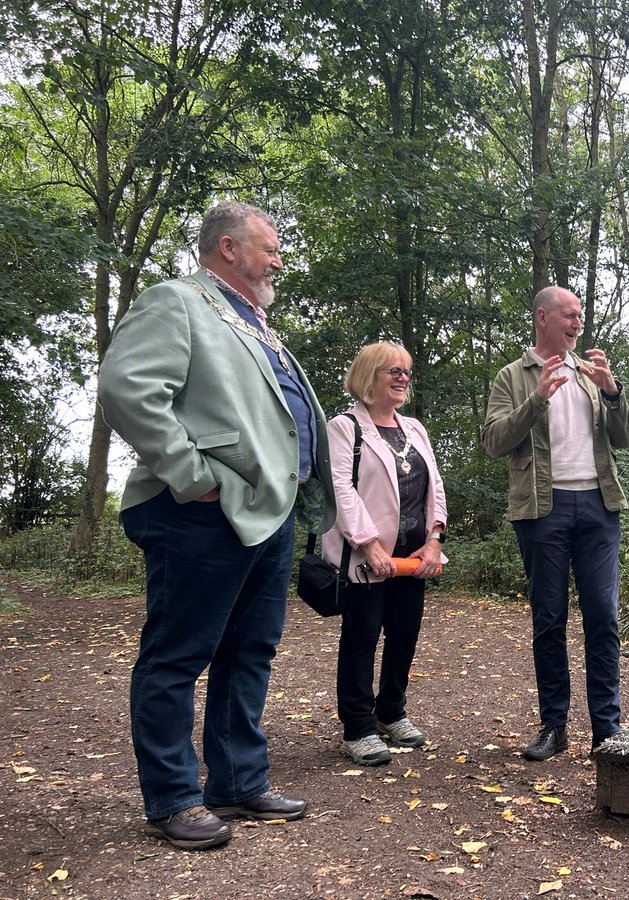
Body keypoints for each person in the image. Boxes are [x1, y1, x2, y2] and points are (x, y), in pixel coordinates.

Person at [97, 201, 335, 850]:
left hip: (267, 511)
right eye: (270, 248)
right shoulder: (178, 301)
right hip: (202, 510)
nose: (279, 260)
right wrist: (192, 475)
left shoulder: (254, 321)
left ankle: (237, 781)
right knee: (178, 653)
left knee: (249, 651)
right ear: (228, 248)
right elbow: (126, 387)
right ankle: (174, 796)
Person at [481, 286, 629, 761]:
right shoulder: (512, 376)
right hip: (542, 509)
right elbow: (494, 441)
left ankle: (607, 730)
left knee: (603, 616)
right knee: (549, 619)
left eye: (581, 315)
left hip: (598, 506)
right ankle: (554, 727)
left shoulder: (591, 375)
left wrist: (612, 392)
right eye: (569, 314)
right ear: (543, 317)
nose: (578, 322)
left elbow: (623, 438)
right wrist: (537, 400)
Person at [323, 342, 448, 767]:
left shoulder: (414, 428)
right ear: (368, 376)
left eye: (406, 371)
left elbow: (435, 485)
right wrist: (368, 543)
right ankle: (358, 727)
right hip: (366, 557)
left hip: (414, 556)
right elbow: (340, 489)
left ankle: (391, 712)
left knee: (404, 635)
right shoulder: (345, 427)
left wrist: (435, 537)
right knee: (362, 637)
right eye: (393, 371)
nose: (403, 377)